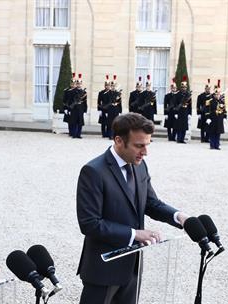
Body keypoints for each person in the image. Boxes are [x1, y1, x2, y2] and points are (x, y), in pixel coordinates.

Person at [76, 113, 190, 304]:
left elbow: (151, 203)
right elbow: (89, 224)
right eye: (139, 145)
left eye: (147, 144)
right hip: (102, 270)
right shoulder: (93, 172)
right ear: (119, 141)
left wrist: (180, 217)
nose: (145, 152)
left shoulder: (139, 165)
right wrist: (134, 234)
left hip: (132, 268)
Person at [205, 80, 227, 150]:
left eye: (219, 94)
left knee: (218, 133)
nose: (218, 95)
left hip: (219, 119)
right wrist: (207, 118)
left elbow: (224, 110)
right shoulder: (210, 101)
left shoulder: (222, 101)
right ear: (214, 95)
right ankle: (212, 145)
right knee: (212, 133)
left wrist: (225, 117)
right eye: (216, 94)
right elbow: (207, 110)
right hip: (212, 119)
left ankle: (217, 145)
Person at [173, 76, 192, 143]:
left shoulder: (188, 94)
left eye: (185, 87)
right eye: (183, 87)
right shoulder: (177, 94)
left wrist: (190, 113)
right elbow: (175, 104)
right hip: (179, 112)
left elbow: (190, 105)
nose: (184, 88)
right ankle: (179, 139)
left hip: (185, 112)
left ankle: (182, 139)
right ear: (181, 87)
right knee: (179, 127)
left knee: (184, 127)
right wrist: (175, 113)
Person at [68, 73, 88, 138]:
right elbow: (70, 100)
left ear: (81, 84)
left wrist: (85, 109)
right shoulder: (72, 91)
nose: (79, 85)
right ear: (76, 84)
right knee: (74, 121)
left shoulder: (84, 92)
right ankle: (74, 134)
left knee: (80, 122)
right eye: (78, 84)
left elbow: (85, 101)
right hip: (74, 108)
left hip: (80, 107)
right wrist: (69, 109)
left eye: (80, 84)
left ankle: (79, 134)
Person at [106, 75, 123, 139]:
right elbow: (107, 101)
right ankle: (110, 135)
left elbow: (120, 102)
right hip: (110, 108)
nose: (113, 87)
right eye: (112, 86)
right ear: (111, 86)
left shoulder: (118, 93)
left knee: (116, 123)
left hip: (116, 109)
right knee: (110, 123)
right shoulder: (108, 93)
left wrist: (120, 110)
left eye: (114, 86)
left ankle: (115, 135)